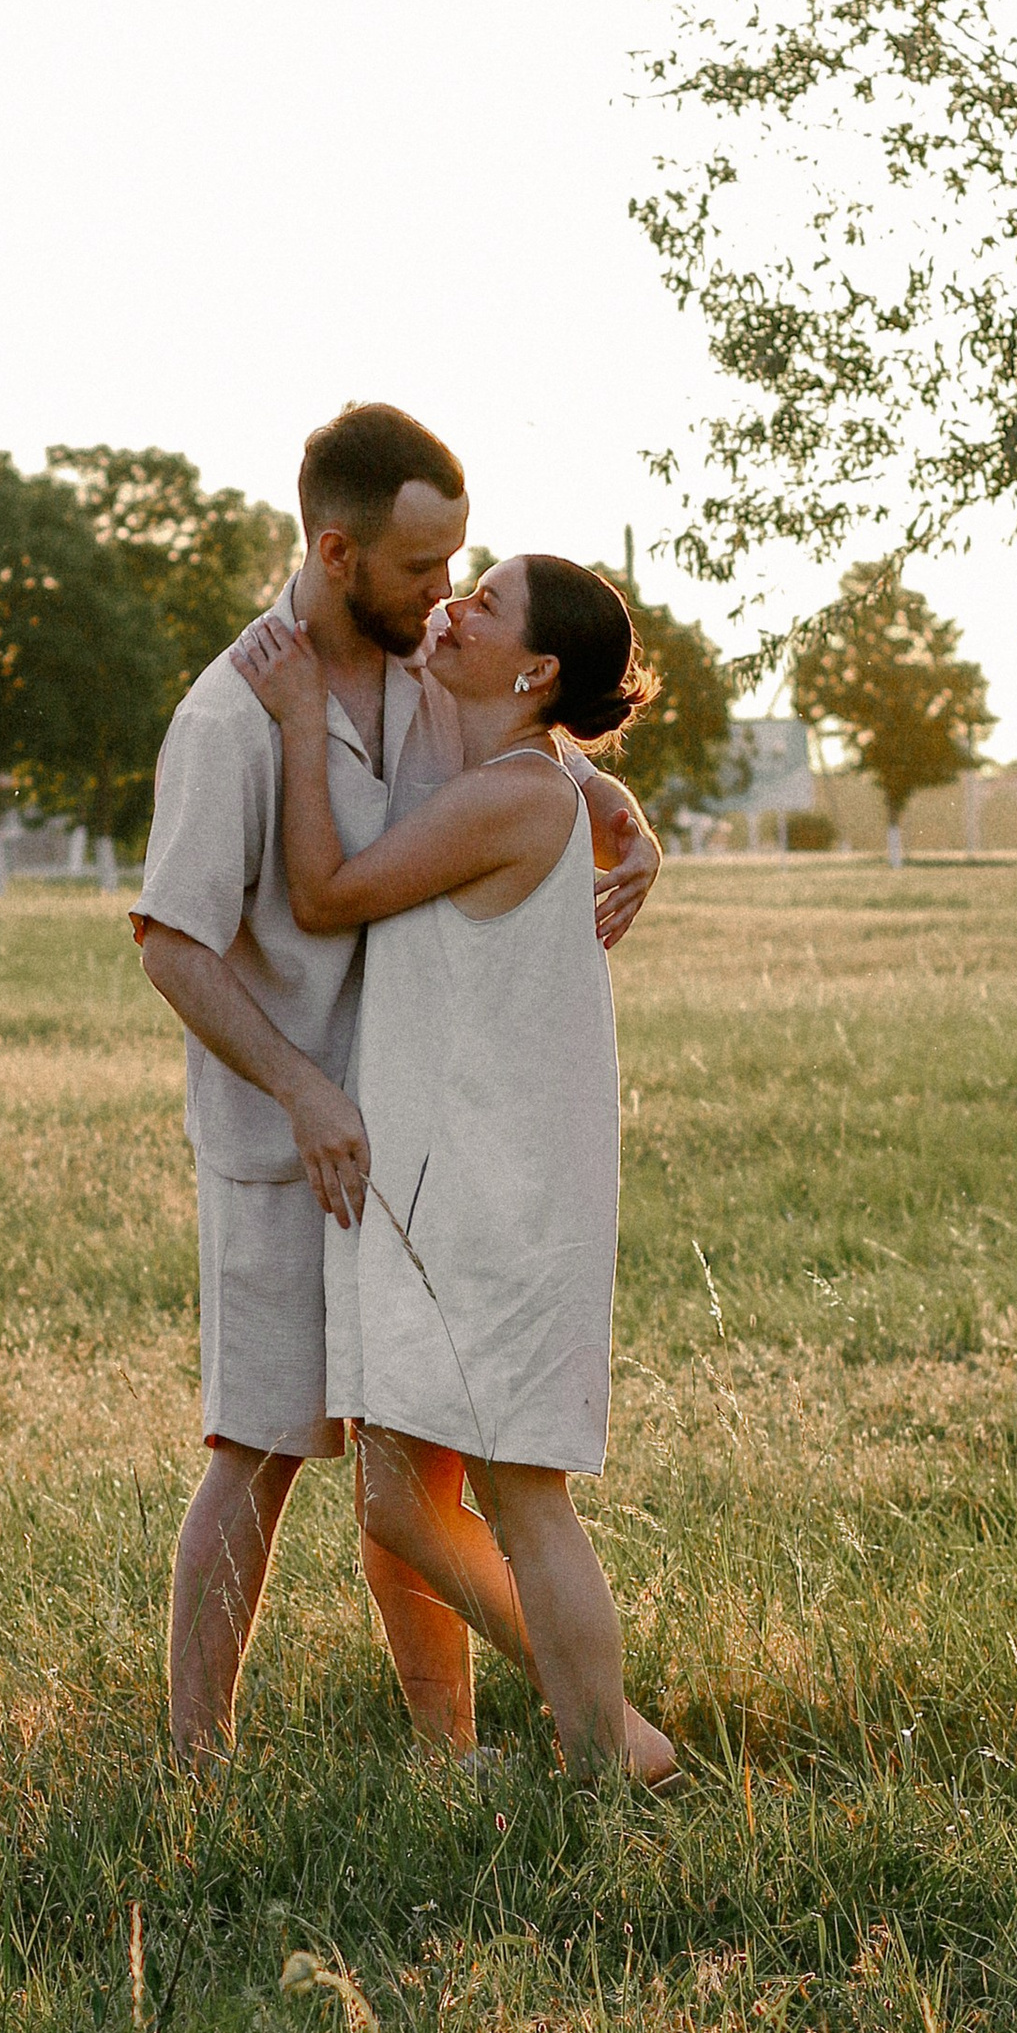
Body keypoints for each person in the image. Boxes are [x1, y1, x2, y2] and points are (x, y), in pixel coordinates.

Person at [133, 403, 662, 1759]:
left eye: (462, 571)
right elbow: (173, 946)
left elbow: (521, 760)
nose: (443, 597)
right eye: (426, 571)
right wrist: (305, 1093)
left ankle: (453, 1753)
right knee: (256, 1457)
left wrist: (620, 806)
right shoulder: (232, 716)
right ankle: (196, 1767)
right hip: (286, 1138)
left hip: (410, 1155)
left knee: (411, 1469)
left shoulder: (412, 677)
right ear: (337, 549)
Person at [232, 552, 676, 1785]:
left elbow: (324, 894)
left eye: (484, 602)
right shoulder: (522, 770)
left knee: (512, 1497)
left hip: (495, 1202)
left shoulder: (510, 797)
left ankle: (604, 1748)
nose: (451, 604)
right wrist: (629, 818)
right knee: (397, 1497)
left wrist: (296, 726)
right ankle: (534, 1741)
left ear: (533, 669)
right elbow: (579, 776)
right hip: (445, 1189)